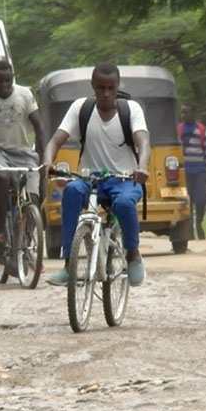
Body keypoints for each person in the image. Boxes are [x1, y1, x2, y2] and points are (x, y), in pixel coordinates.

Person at [43, 62, 151, 287]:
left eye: (111, 88)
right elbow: (55, 141)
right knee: (71, 191)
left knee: (123, 204)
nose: (106, 93)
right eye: (100, 88)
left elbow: (144, 140)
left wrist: (141, 167)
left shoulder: (131, 110)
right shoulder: (80, 108)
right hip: (89, 179)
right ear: (92, 86)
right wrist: (47, 161)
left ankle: (133, 253)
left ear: (118, 86)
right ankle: (68, 262)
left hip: (125, 179)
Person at [0, 60, 45, 249]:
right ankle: (2, 231)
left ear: (13, 78)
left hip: (23, 151)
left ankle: (26, 239)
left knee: (33, 195)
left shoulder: (25, 94)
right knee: (2, 177)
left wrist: (43, 159)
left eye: (7, 81)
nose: (4, 86)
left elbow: (39, 127)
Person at [178, 103, 206, 239]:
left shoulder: (202, 130)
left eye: (186, 112)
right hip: (185, 171)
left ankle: (199, 223)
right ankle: (189, 228)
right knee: (188, 201)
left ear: (193, 113)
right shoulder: (179, 129)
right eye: (182, 113)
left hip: (199, 171)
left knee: (201, 200)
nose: (184, 115)